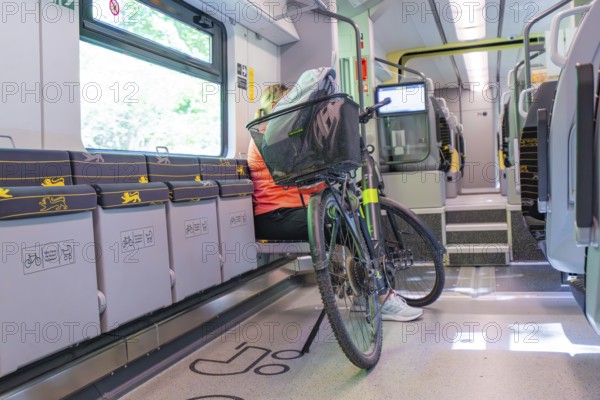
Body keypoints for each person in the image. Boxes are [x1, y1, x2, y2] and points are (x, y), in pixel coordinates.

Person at [248, 83, 423, 322]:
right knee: (347, 223)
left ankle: (367, 291)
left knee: (352, 217)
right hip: (276, 216)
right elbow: (299, 177)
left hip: (294, 210)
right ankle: (380, 297)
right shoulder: (268, 134)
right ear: (277, 105)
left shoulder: (280, 133)